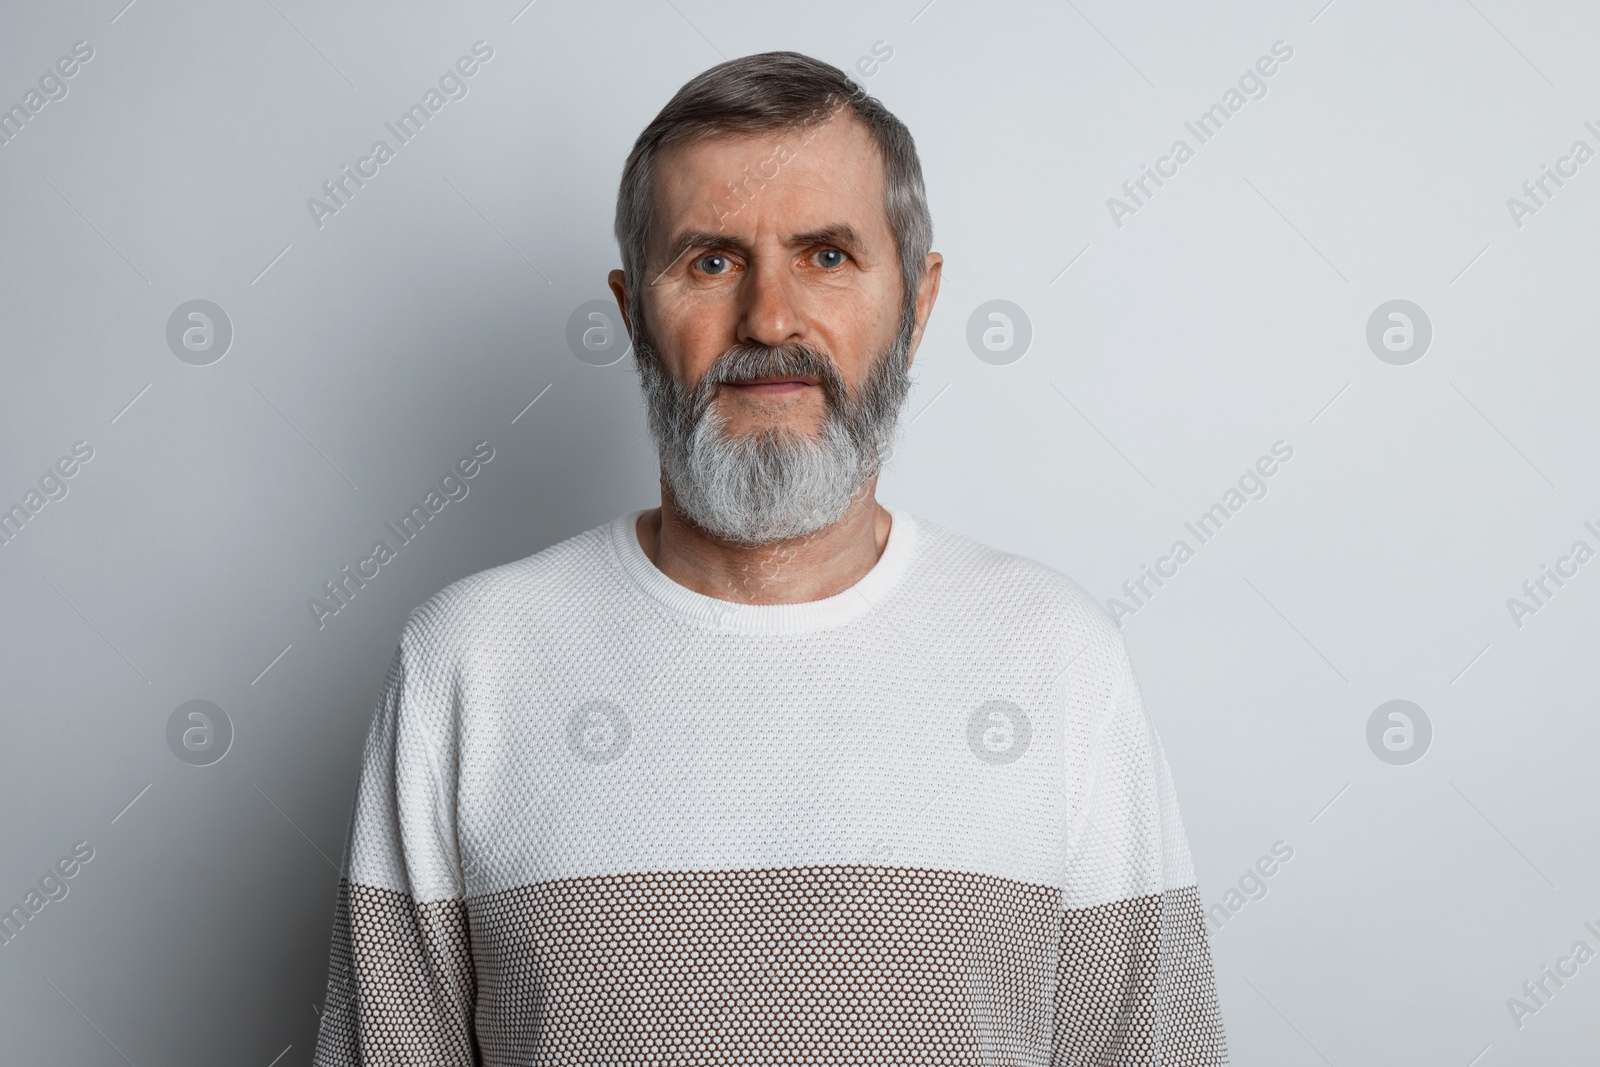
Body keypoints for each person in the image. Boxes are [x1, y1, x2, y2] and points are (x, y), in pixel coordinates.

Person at [312, 49, 1228, 1066]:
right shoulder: (468, 662)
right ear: (631, 313)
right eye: (710, 261)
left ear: (916, 305)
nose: (770, 318)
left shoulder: (1056, 658)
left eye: (826, 255)